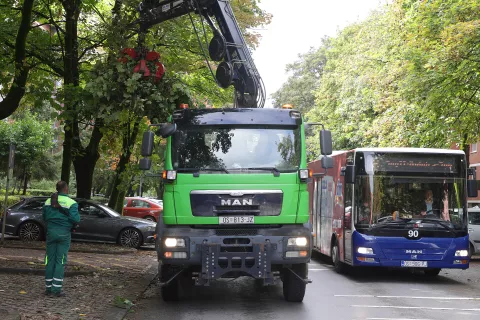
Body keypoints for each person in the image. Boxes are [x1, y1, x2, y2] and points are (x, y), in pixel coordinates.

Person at [42, 181, 80, 297]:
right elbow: (75, 219)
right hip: (64, 233)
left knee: (49, 260)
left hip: (51, 232)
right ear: (66, 189)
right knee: (60, 261)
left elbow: (44, 217)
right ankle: (56, 290)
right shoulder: (71, 203)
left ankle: (48, 288)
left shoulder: (48, 201)